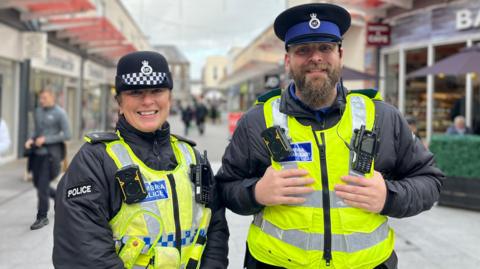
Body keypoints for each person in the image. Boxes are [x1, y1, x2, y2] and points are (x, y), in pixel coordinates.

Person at [215, 3, 444, 269]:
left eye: (325, 48)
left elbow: (430, 181)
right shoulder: (256, 121)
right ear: (288, 60)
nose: (316, 58)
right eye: (303, 50)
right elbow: (225, 188)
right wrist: (255, 193)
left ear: (340, 54)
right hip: (275, 263)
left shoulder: (383, 117)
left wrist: (389, 196)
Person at [53, 51, 229, 268]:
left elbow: (216, 228)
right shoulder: (94, 161)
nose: (147, 100)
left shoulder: (191, 155)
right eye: (135, 92)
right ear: (119, 101)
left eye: (157, 90)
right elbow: (81, 251)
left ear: (170, 97)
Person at [25, 88, 71, 230]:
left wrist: (46, 139)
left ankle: (42, 217)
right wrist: (30, 139)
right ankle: (61, 198)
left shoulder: (60, 113)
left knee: (42, 187)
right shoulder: (38, 111)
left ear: (52, 97)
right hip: (36, 154)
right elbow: (36, 130)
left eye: (44, 98)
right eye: (40, 98)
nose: (41, 100)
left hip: (50, 156)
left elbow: (67, 134)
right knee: (38, 184)